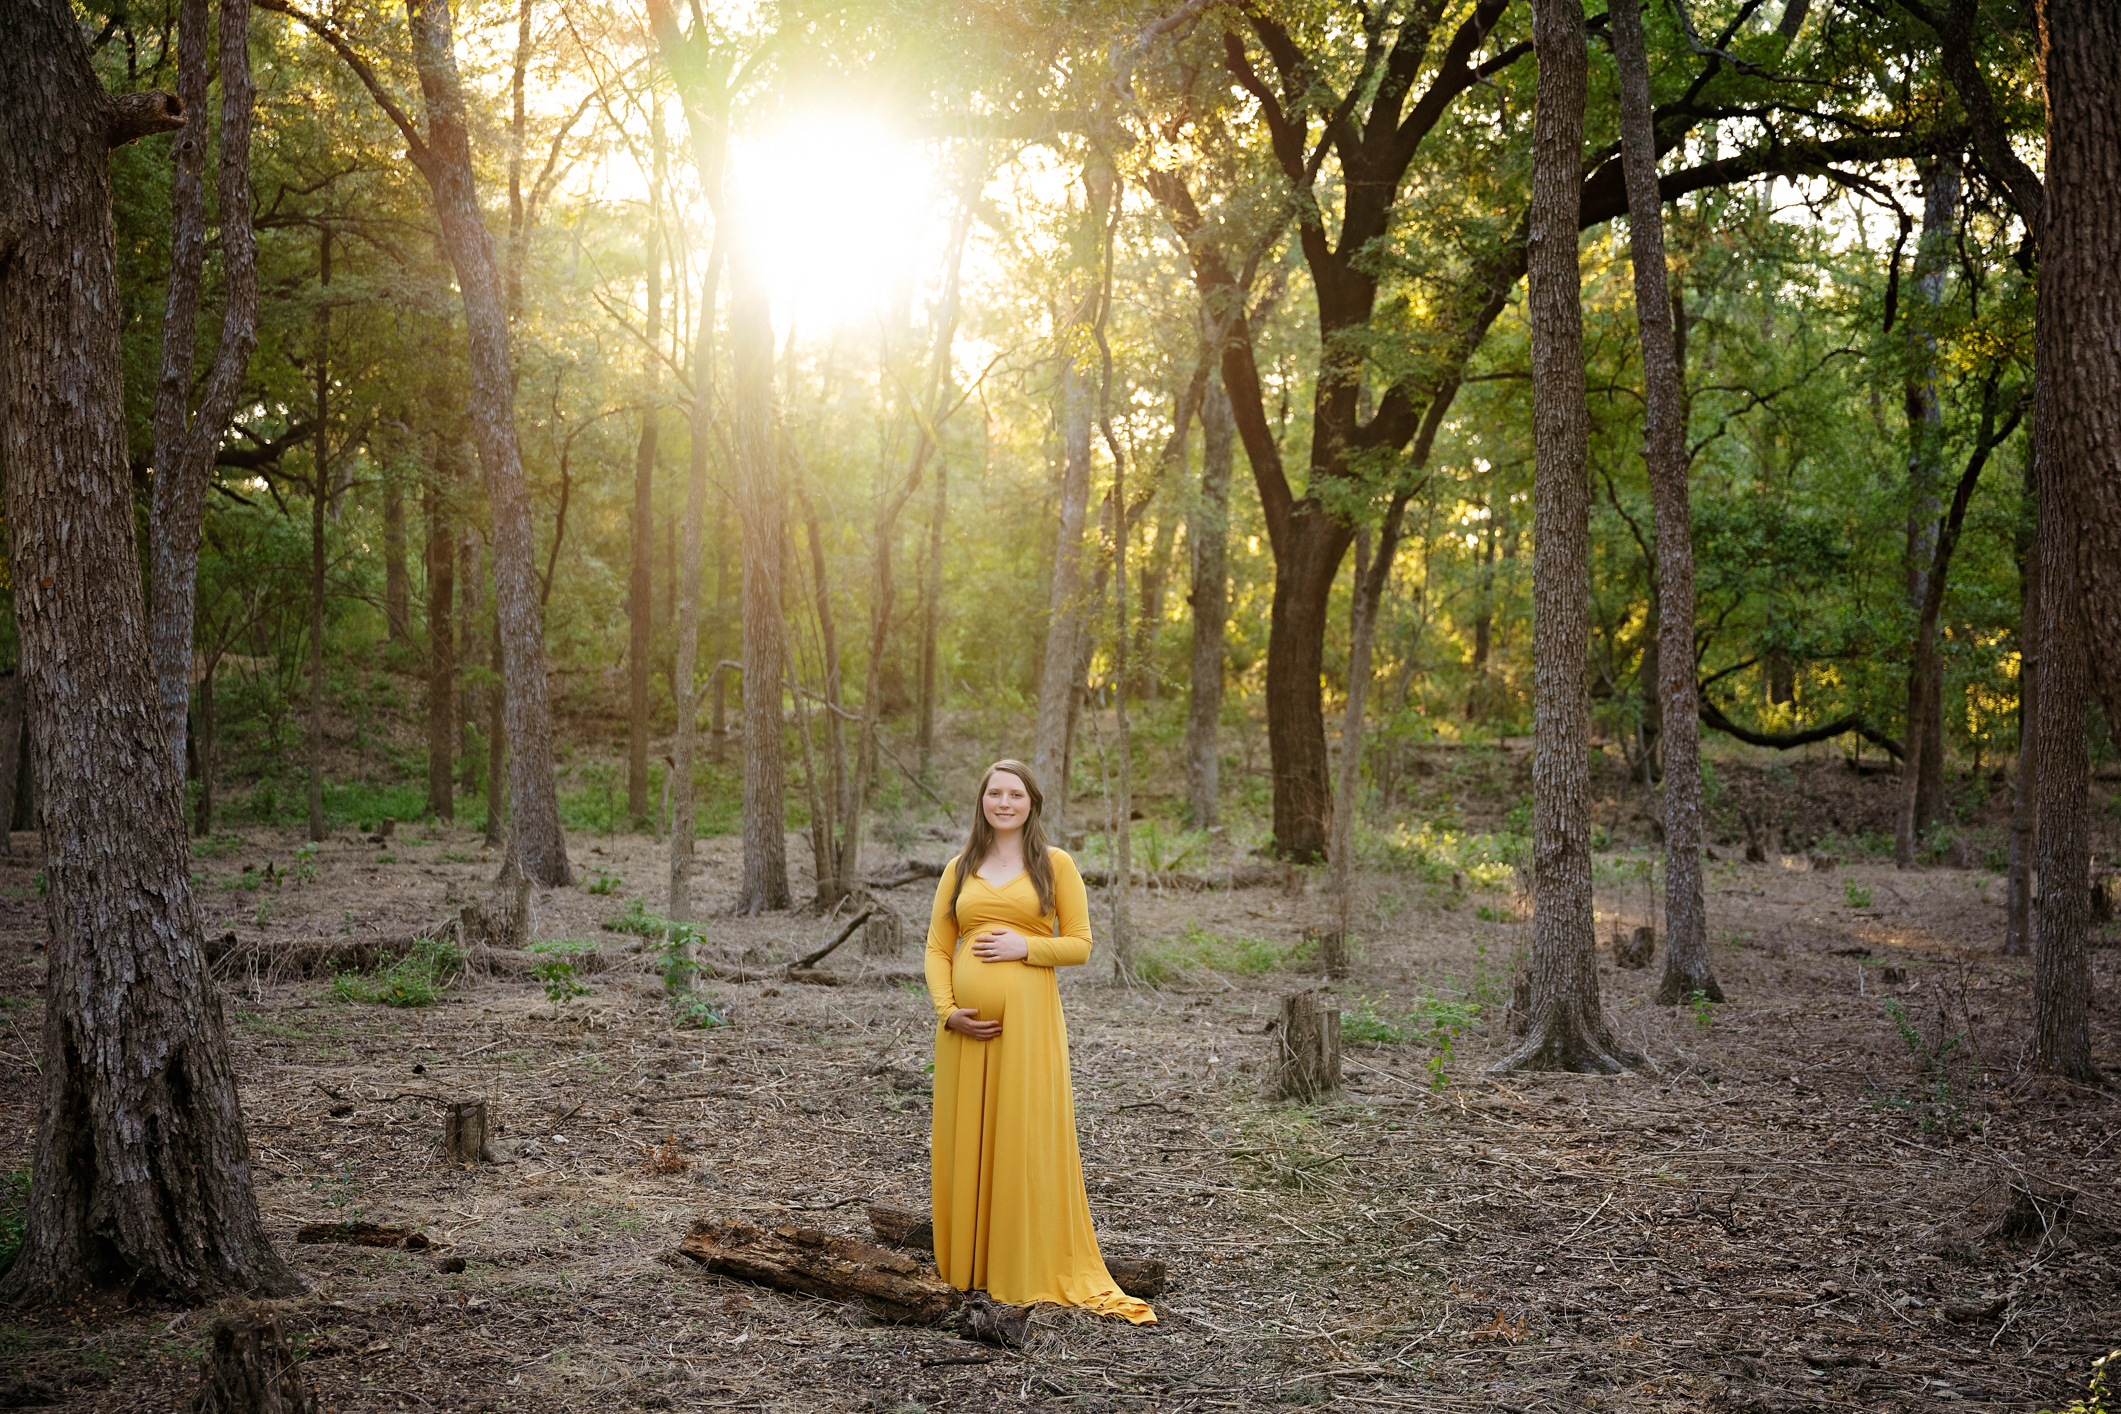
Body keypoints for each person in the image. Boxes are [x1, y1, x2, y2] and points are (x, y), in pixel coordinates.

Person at [921, 758, 1155, 1324]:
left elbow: (1079, 944)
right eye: (995, 793)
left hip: (1028, 1026)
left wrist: (1026, 948)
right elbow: (935, 947)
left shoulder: (1054, 864)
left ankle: (1020, 1259)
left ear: (1032, 803)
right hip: (965, 1033)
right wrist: (948, 1011)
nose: (1004, 802)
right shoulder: (960, 868)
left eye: (1016, 794)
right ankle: (971, 1263)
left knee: (1021, 1133)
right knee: (969, 1136)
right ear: (982, 801)